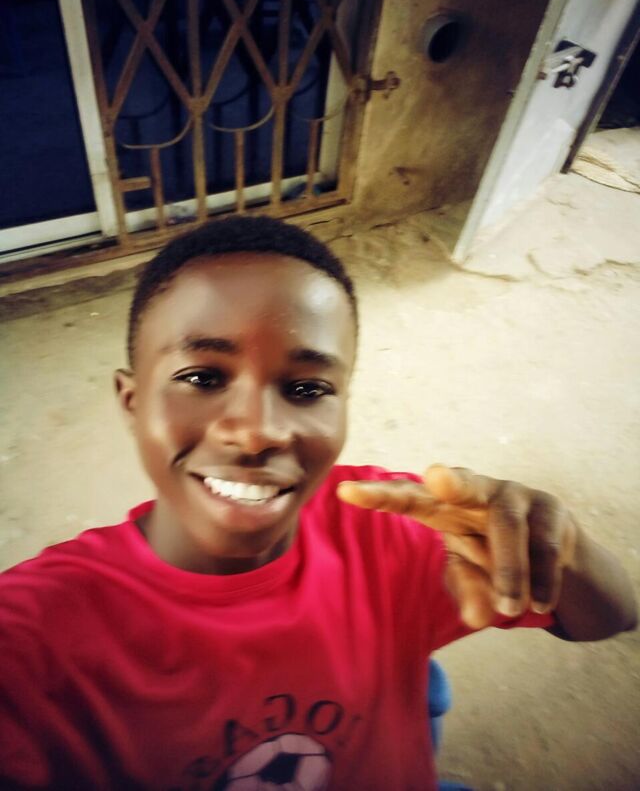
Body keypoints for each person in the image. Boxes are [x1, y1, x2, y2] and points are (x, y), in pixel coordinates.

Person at [0, 215, 636, 791]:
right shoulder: (36, 639)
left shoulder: (385, 523)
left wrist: (564, 550)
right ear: (132, 402)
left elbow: (613, 617)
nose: (257, 431)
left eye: (307, 388)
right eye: (202, 377)